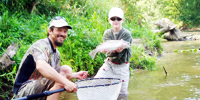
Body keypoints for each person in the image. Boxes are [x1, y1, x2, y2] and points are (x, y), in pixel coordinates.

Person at [13, 16, 88, 100]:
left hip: (38, 88)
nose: (63, 34)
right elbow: (41, 66)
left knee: (64, 73)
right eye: (59, 30)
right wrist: (66, 82)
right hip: (23, 91)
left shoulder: (56, 53)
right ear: (50, 31)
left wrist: (75, 75)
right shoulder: (41, 45)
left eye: (65, 31)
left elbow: (54, 75)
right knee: (65, 70)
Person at [94, 7, 132, 100]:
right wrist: (107, 49)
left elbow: (124, 47)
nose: (116, 21)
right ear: (109, 20)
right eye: (113, 19)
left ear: (123, 20)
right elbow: (109, 48)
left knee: (122, 94)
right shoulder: (107, 33)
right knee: (96, 83)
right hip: (109, 64)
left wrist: (117, 50)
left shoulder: (126, 34)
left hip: (122, 66)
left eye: (118, 19)